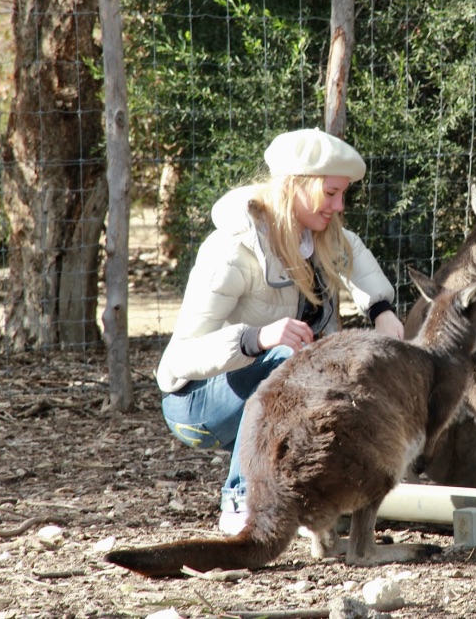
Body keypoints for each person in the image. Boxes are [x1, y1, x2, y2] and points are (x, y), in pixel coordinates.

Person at [155, 127, 405, 535]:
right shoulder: (230, 251)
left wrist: (382, 311)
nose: (338, 206)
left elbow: (356, 255)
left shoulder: (319, 240)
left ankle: (307, 502)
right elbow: (176, 362)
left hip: (266, 382)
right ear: (296, 187)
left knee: (323, 372)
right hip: (194, 403)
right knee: (289, 363)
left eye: (343, 195)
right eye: (330, 193)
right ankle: (240, 503)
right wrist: (255, 339)